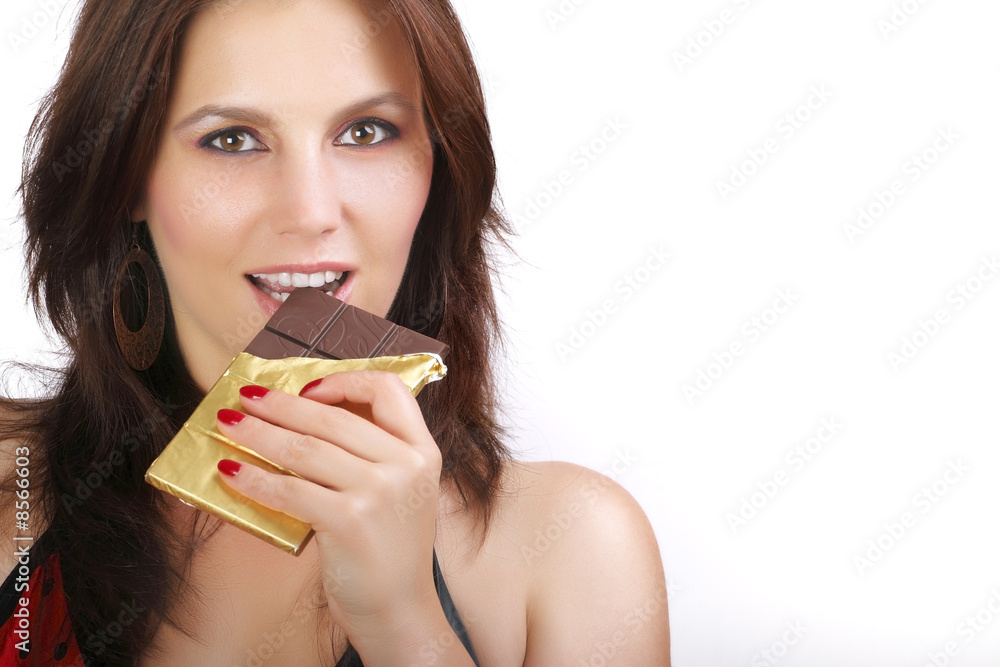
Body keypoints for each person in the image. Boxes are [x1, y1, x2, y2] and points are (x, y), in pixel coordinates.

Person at [0, 0, 671, 664]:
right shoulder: (14, 484)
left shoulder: (575, 551)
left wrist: (405, 627)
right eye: (232, 138)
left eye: (367, 131)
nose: (312, 211)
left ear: (436, 167)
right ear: (128, 180)